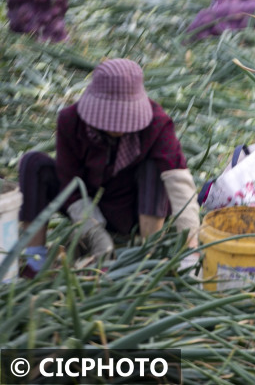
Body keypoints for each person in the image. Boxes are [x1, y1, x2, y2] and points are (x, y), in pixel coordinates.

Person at [18, 58, 200, 275]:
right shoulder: (71, 121)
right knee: (33, 163)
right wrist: (93, 231)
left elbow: (179, 183)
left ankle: (145, 253)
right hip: (86, 203)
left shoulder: (157, 123)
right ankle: (35, 260)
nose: (119, 127)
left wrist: (191, 250)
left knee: (154, 167)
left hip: (133, 209)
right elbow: (70, 184)